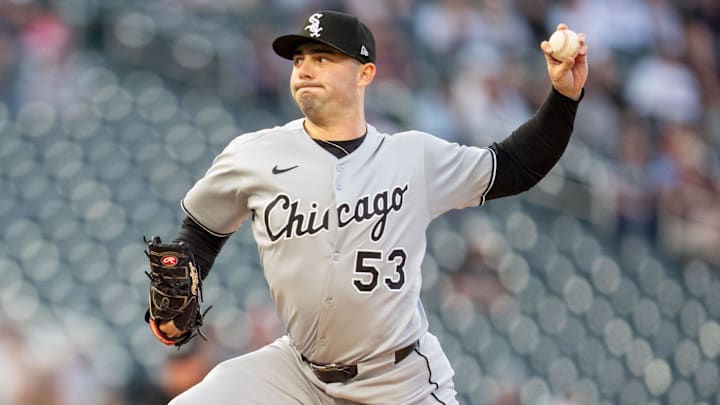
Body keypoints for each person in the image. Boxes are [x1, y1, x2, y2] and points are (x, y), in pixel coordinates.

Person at [147, 10, 588, 404]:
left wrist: (563, 99)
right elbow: (201, 232)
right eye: (299, 59)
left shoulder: (413, 157)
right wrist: (176, 300)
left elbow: (514, 166)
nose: (304, 69)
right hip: (298, 374)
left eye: (323, 58)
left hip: (399, 383)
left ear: (365, 73)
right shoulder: (253, 155)